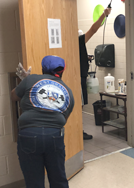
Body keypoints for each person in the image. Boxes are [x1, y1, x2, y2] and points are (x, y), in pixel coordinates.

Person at [12, 56, 75, 188]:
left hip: (29, 133)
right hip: (54, 136)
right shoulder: (68, 92)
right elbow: (63, 120)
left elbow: (14, 96)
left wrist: (24, 82)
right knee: (59, 180)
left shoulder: (31, 79)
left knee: (34, 182)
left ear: (43, 69)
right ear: (63, 70)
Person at [79, 7, 111, 140]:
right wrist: (104, 15)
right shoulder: (78, 41)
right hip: (77, 79)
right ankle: (78, 132)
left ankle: (77, 131)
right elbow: (93, 29)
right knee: (78, 106)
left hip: (78, 77)